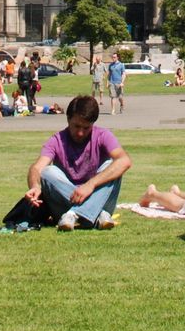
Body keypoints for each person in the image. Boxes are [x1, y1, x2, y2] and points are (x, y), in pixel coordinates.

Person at [26, 94, 131, 231]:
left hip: (73, 210)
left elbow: (125, 161)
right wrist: (34, 186)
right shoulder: (57, 140)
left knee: (113, 165)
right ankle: (96, 215)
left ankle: (74, 214)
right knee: (47, 172)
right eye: (76, 126)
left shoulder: (103, 135)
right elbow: (37, 168)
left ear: (93, 124)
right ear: (68, 119)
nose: (80, 132)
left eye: (86, 128)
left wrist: (90, 185)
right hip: (68, 201)